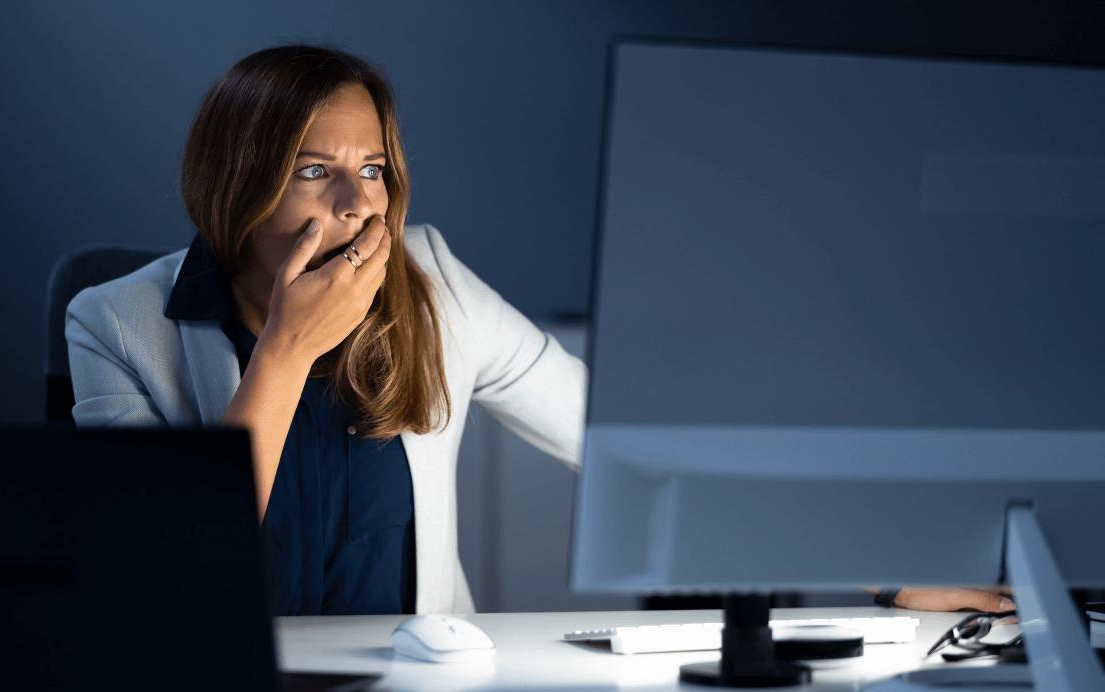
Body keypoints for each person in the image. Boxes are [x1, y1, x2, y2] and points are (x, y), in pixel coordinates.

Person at [66, 43, 1009, 618]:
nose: (357, 204)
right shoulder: (114, 321)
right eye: (315, 171)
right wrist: (283, 354)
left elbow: (629, 450)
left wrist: (884, 567)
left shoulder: (429, 279)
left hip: (407, 689)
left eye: (376, 169)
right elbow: (167, 563)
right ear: (238, 182)